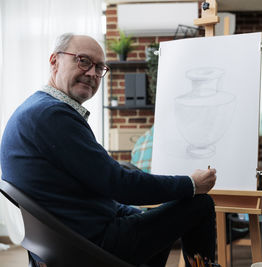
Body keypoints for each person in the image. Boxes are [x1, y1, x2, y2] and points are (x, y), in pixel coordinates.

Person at [0, 33, 217, 267]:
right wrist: (190, 184)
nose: (92, 73)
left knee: (152, 218)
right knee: (199, 204)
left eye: (99, 67)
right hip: (87, 245)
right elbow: (118, 184)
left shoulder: (37, 108)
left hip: (67, 238)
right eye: (83, 60)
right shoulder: (53, 115)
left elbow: (91, 190)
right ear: (54, 61)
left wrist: (136, 211)